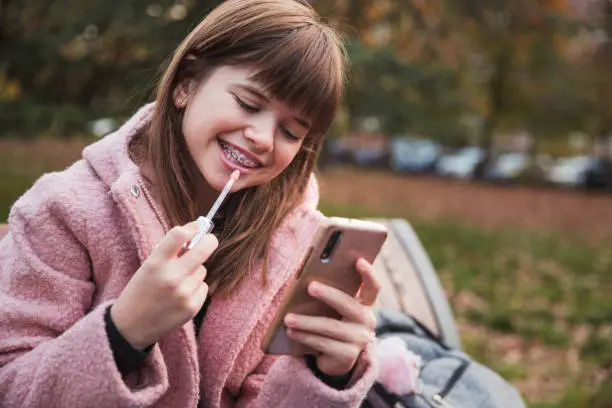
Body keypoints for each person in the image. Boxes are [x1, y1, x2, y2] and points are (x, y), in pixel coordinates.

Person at [0, 0, 382, 407]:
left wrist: (327, 375)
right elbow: (10, 385)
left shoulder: (294, 245)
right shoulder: (63, 211)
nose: (264, 138)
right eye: (249, 104)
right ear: (186, 85)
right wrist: (123, 333)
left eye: (290, 131)